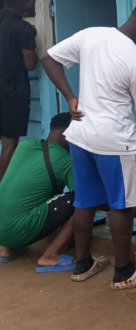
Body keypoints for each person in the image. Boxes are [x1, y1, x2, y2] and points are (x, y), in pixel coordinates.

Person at [41, 1, 136, 290]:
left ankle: (83, 263)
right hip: (117, 143)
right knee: (123, 206)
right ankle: (124, 271)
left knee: (84, 200)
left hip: (81, 136)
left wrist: (70, 97)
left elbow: (48, 58)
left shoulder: (91, 35)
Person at [0, 113, 77, 271]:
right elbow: (85, 197)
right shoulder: (65, 160)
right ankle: (50, 256)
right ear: (68, 133)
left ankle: (8, 249)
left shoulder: (24, 146)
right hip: (17, 230)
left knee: (28, 197)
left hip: (2, 232)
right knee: (81, 202)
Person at [0, 0, 38, 182]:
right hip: (11, 93)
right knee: (9, 144)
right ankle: (3, 192)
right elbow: (30, 63)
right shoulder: (22, 28)